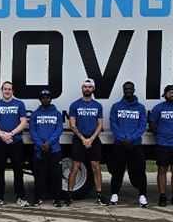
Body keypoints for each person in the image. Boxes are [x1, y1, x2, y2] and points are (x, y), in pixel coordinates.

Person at [66, 78, 107, 206]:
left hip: (93, 140)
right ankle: (69, 195)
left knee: (96, 168)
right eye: (85, 87)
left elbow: (100, 125)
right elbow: (72, 124)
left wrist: (91, 139)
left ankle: (99, 195)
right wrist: (83, 139)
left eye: (89, 87)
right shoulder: (75, 105)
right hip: (79, 140)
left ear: (93, 89)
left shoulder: (98, 106)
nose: (87, 89)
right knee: (74, 168)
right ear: (82, 88)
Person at [0, 81, 30, 207]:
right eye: (5, 89)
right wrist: (2, 135)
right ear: (2, 90)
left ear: (13, 91)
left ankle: (21, 197)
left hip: (15, 141)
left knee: (18, 171)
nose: (7, 91)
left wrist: (10, 134)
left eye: (9, 89)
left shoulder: (19, 104)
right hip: (0, 142)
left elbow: (24, 122)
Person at [109, 81, 148, 207]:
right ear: (123, 90)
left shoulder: (141, 108)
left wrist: (131, 139)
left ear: (134, 89)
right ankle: (114, 194)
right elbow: (113, 124)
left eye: (130, 89)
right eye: (126, 89)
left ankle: (142, 195)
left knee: (139, 171)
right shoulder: (116, 106)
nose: (128, 91)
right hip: (119, 145)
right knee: (117, 171)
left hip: (135, 145)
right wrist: (122, 138)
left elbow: (142, 126)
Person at [29, 89, 64, 207]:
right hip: (39, 150)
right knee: (40, 176)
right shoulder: (35, 114)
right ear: (40, 99)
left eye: (47, 97)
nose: (45, 99)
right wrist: (40, 144)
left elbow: (59, 130)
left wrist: (49, 143)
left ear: (51, 99)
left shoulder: (57, 113)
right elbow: (32, 131)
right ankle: (37, 198)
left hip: (54, 150)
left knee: (56, 176)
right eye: (43, 98)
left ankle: (57, 199)